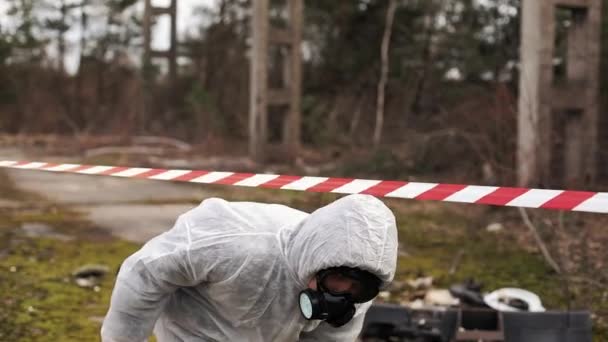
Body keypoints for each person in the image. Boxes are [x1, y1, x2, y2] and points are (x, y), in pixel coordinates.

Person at [101, 194, 398, 341]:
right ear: (320, 264)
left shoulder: (358, 291)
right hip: (197, 329)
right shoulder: (237, 245)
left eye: (356, 288)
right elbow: (145, 273)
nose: (342, 294)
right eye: (337, 280)